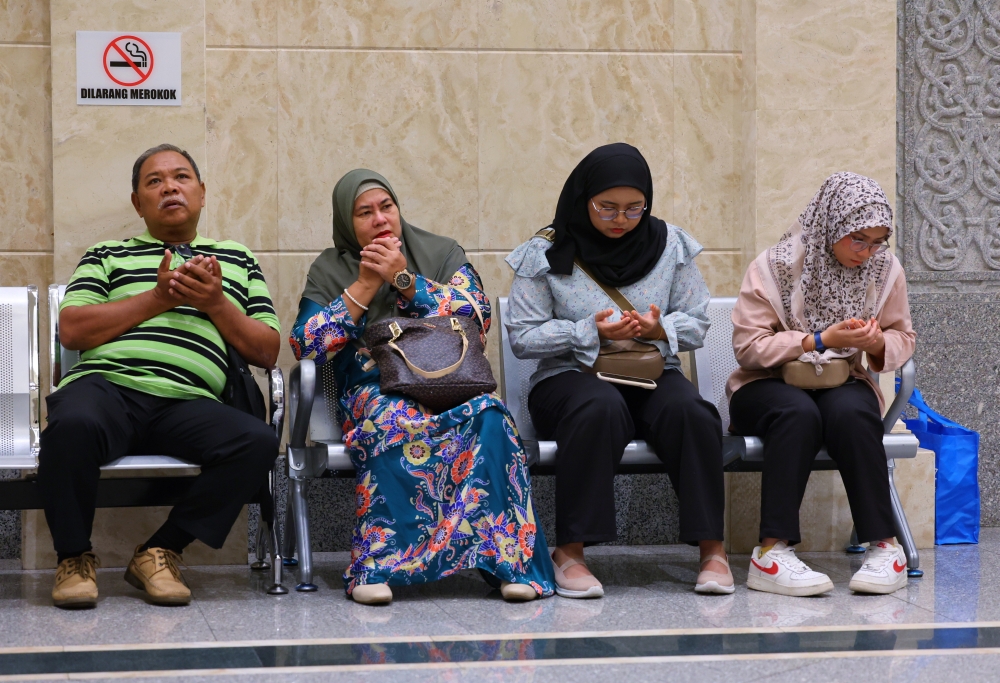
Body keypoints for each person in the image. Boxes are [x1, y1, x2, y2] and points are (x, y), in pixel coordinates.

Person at [289, 169, 555, 605]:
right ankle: (377, 567)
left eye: (386, 207)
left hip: (455, 382)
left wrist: (404, 279)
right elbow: (307, 343)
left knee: (490, 416)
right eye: (364, 212)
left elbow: (478, 315)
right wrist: (364, 285)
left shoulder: (441, 251)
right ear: (346, 221)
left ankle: (508, 563)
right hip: (375, 389)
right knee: (395, 421)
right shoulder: (330, 266)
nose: (379, 219)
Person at [41, 144, 281, 608]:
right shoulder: (107, 254)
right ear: (137, 202)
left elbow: (267, 351)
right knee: (71, 423)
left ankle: (161, 551)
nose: (169, 186)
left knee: (256, 441)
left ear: (202, 193)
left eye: (181, 177)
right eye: (154, 181)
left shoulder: (236, 258)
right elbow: (71, 330)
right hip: (109, 388)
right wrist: (157, 298)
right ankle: (73, 559)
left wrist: (214, 303)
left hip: (190, 402)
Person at [504, 143, 731, 598]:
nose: (620, 219)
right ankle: (570, 553)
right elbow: (524, 337)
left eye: (633, 208)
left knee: (693, 412)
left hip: (649, 370)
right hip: (568, 380)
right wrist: (589, 332)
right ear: (582, 197)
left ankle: (713, 551)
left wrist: (658, 327)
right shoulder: (544, 253)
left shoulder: (670, 245)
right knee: (600, 407)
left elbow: (699, 321)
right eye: (606, 207)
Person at [727, 172, 916, 597]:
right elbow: (748, 348)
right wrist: (818, 340)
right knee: (797, 413)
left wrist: (876, 341)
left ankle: (885, 548)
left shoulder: (885, 269)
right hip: (766, 382)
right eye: (858, 240)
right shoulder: (774, 265)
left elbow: (903, 336)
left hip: (842, 377)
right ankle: (771, 553)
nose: (867, 253)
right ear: (832, 224)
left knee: (852, 413)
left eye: (877, 241)